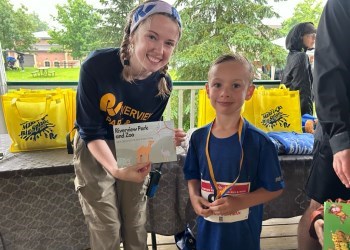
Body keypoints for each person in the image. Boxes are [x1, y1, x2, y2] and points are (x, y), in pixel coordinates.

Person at [73, 1, 185, 249]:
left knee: (135, 221)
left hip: (133, 148)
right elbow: (90, 130)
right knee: (106, 226)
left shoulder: (163, 85)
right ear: (133, 35)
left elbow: (145, 133)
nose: (159, 49)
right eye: (152, 37)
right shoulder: (96, 66)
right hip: (95, 146)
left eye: (169, 43)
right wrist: (114, 168)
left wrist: (164, 140)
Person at [183, 54, 284, 250]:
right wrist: (194, 197)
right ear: (207, 89)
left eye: (236, 86)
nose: (225, 93)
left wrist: (240, 202)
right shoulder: (197, 138)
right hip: (207, 236)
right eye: (218, 85)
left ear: (249, 91)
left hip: (243, 238)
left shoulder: (260, 142)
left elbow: (275, 187)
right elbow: (192, 175)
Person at [297, 1, 350, 249]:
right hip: (339, 128)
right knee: (321, 209)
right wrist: (341, 139)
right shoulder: (341, 5)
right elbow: (329, 71)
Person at [281, 22, 316, 115]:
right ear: (300, 37)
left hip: (289, 110)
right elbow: (303, 90)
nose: (314, 38)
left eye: (315, 35)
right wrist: (307, 116)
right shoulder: (301, 56)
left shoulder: (292, 55)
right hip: (299, 112)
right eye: (310, 35)